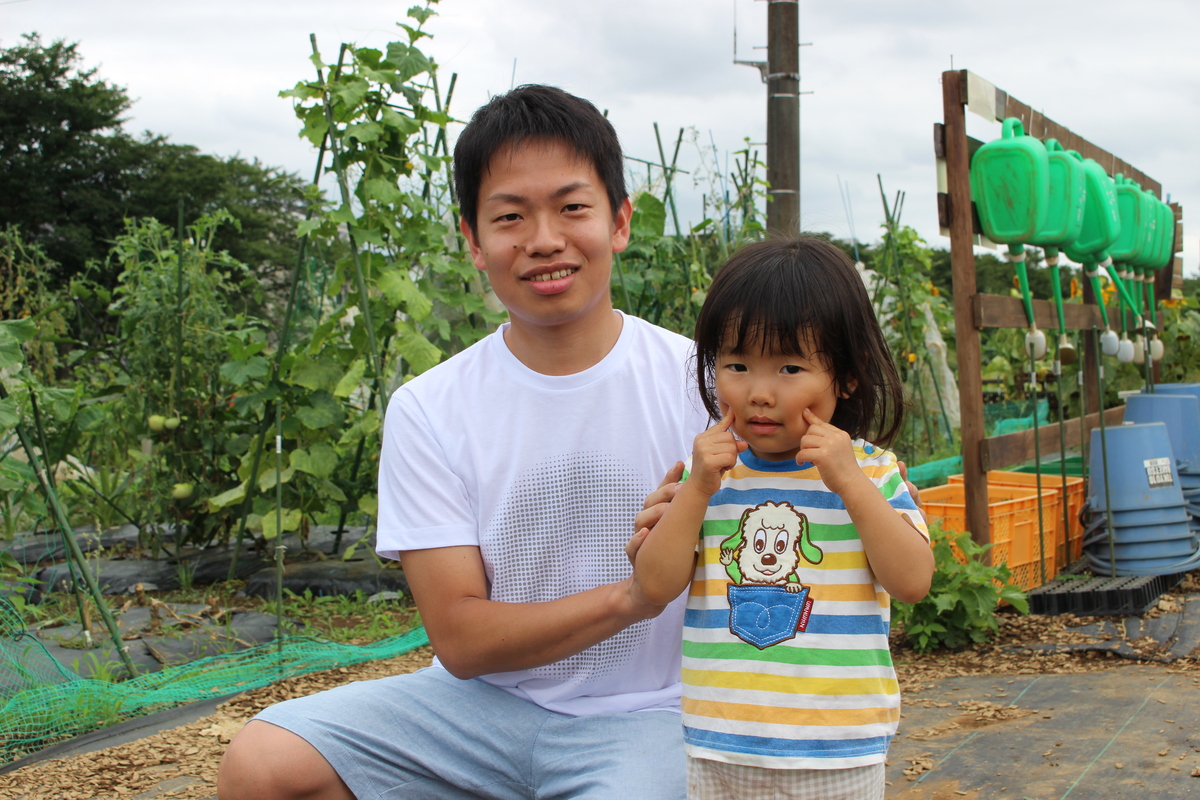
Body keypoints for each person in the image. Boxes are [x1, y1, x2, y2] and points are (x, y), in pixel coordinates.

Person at [217, 86, 924, 800]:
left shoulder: (715, 390)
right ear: (472, 240)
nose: (545, 239)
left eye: (571, 207)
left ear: (619, 222)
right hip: (476, 712)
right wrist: (634, 594)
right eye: (510, 217)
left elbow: (840, 515)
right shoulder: (429, 407)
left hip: (654, 713)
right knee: (264, 767)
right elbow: (459, 640)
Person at [632, 237, 934, 800]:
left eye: (790, 367)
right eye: (737, 365)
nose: (760, 393)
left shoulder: (871, 471)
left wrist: (849, 481)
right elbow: (653, 585)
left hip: (838, 749)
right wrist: (696, 488)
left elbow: (913, 581)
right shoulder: (710, 475)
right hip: (721, 743)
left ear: (846, 376)